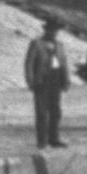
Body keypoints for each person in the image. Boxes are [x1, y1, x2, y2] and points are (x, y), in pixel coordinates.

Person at [24, 16, 70, 149]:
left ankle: (54, 138)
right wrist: (30, 80)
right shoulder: (37, 43)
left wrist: (66, 79)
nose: (54, 33)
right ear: (46, 30)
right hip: (42, 80)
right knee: (42, 112)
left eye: (56, 31)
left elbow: (64, 63)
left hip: (56, 79)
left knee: (56, 111)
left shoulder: (59, 45)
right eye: (52, 30)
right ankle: (42, 140)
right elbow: (29, 63)